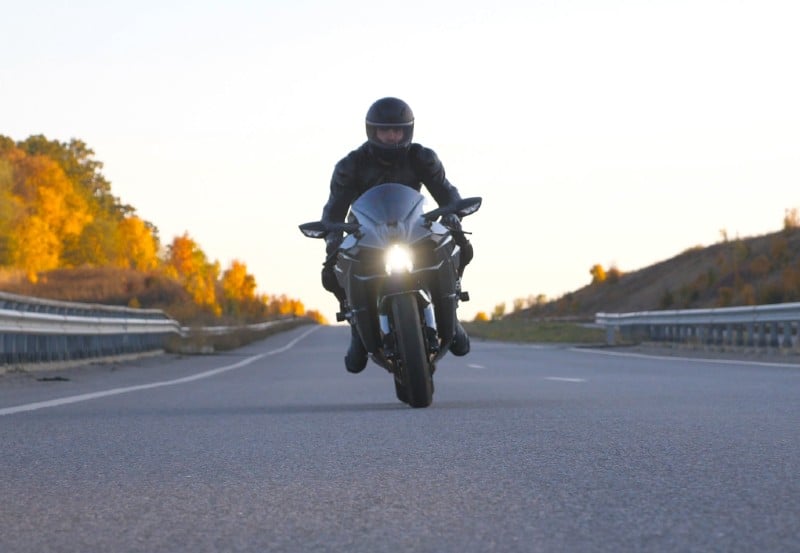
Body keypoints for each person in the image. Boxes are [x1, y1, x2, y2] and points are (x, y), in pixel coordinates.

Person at [319, 97, 474, 373]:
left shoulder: (421, 157)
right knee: (331, 271)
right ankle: (357, 327)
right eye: (384, 131)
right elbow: (334, 209)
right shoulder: (351, 165)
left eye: (397, 130)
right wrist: (331, 235)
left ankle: (450, 311)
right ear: (372, 131)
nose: (391, 136)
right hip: (367, 232)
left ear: (407, 130)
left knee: (458, 244)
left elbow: (446, 191)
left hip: (413, 227)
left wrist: (453, 212)